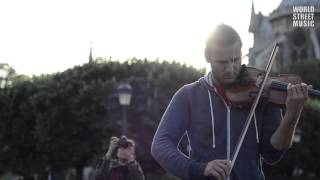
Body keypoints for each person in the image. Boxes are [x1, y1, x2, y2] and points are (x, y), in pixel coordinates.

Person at [151, 24, 311, 180]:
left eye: (235, 60)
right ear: (207, 56)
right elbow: (160, 145)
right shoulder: (189, 95)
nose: (230, 68)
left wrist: (292, 115)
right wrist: (200, 169)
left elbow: (273, 154)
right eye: (222, 62)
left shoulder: (262, 92)